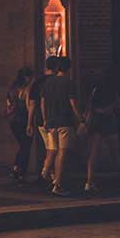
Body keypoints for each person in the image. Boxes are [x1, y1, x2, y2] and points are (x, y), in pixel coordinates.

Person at [30, 54, 81, 193]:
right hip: (64, 121)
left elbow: (42, 102)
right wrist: (81, 119)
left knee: (53, 150)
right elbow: (73, 103)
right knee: (62, 153)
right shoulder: (69, 83)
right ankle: (57, 184)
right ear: (68, 68)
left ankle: (48, 176)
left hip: (51, 123)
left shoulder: (48, 82)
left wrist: (46, 119)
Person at [83, 64, 120, 193]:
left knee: (93, 154)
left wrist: (85, 120)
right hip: (108, 122)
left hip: (95, 122)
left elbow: (90, 107)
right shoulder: (112, 91)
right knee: (115, 153)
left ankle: (89, 182)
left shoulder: (96, 89)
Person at [6, 66, 34, 182]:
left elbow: (8, 105)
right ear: (27, 77)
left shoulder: (12, 89)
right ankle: (21, 171)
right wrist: (30, 123)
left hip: (13, 121)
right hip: (23, 120)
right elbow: (29, 106)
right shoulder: (27, 89)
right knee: (26, 146)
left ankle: (16, 168)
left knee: (23, 146)